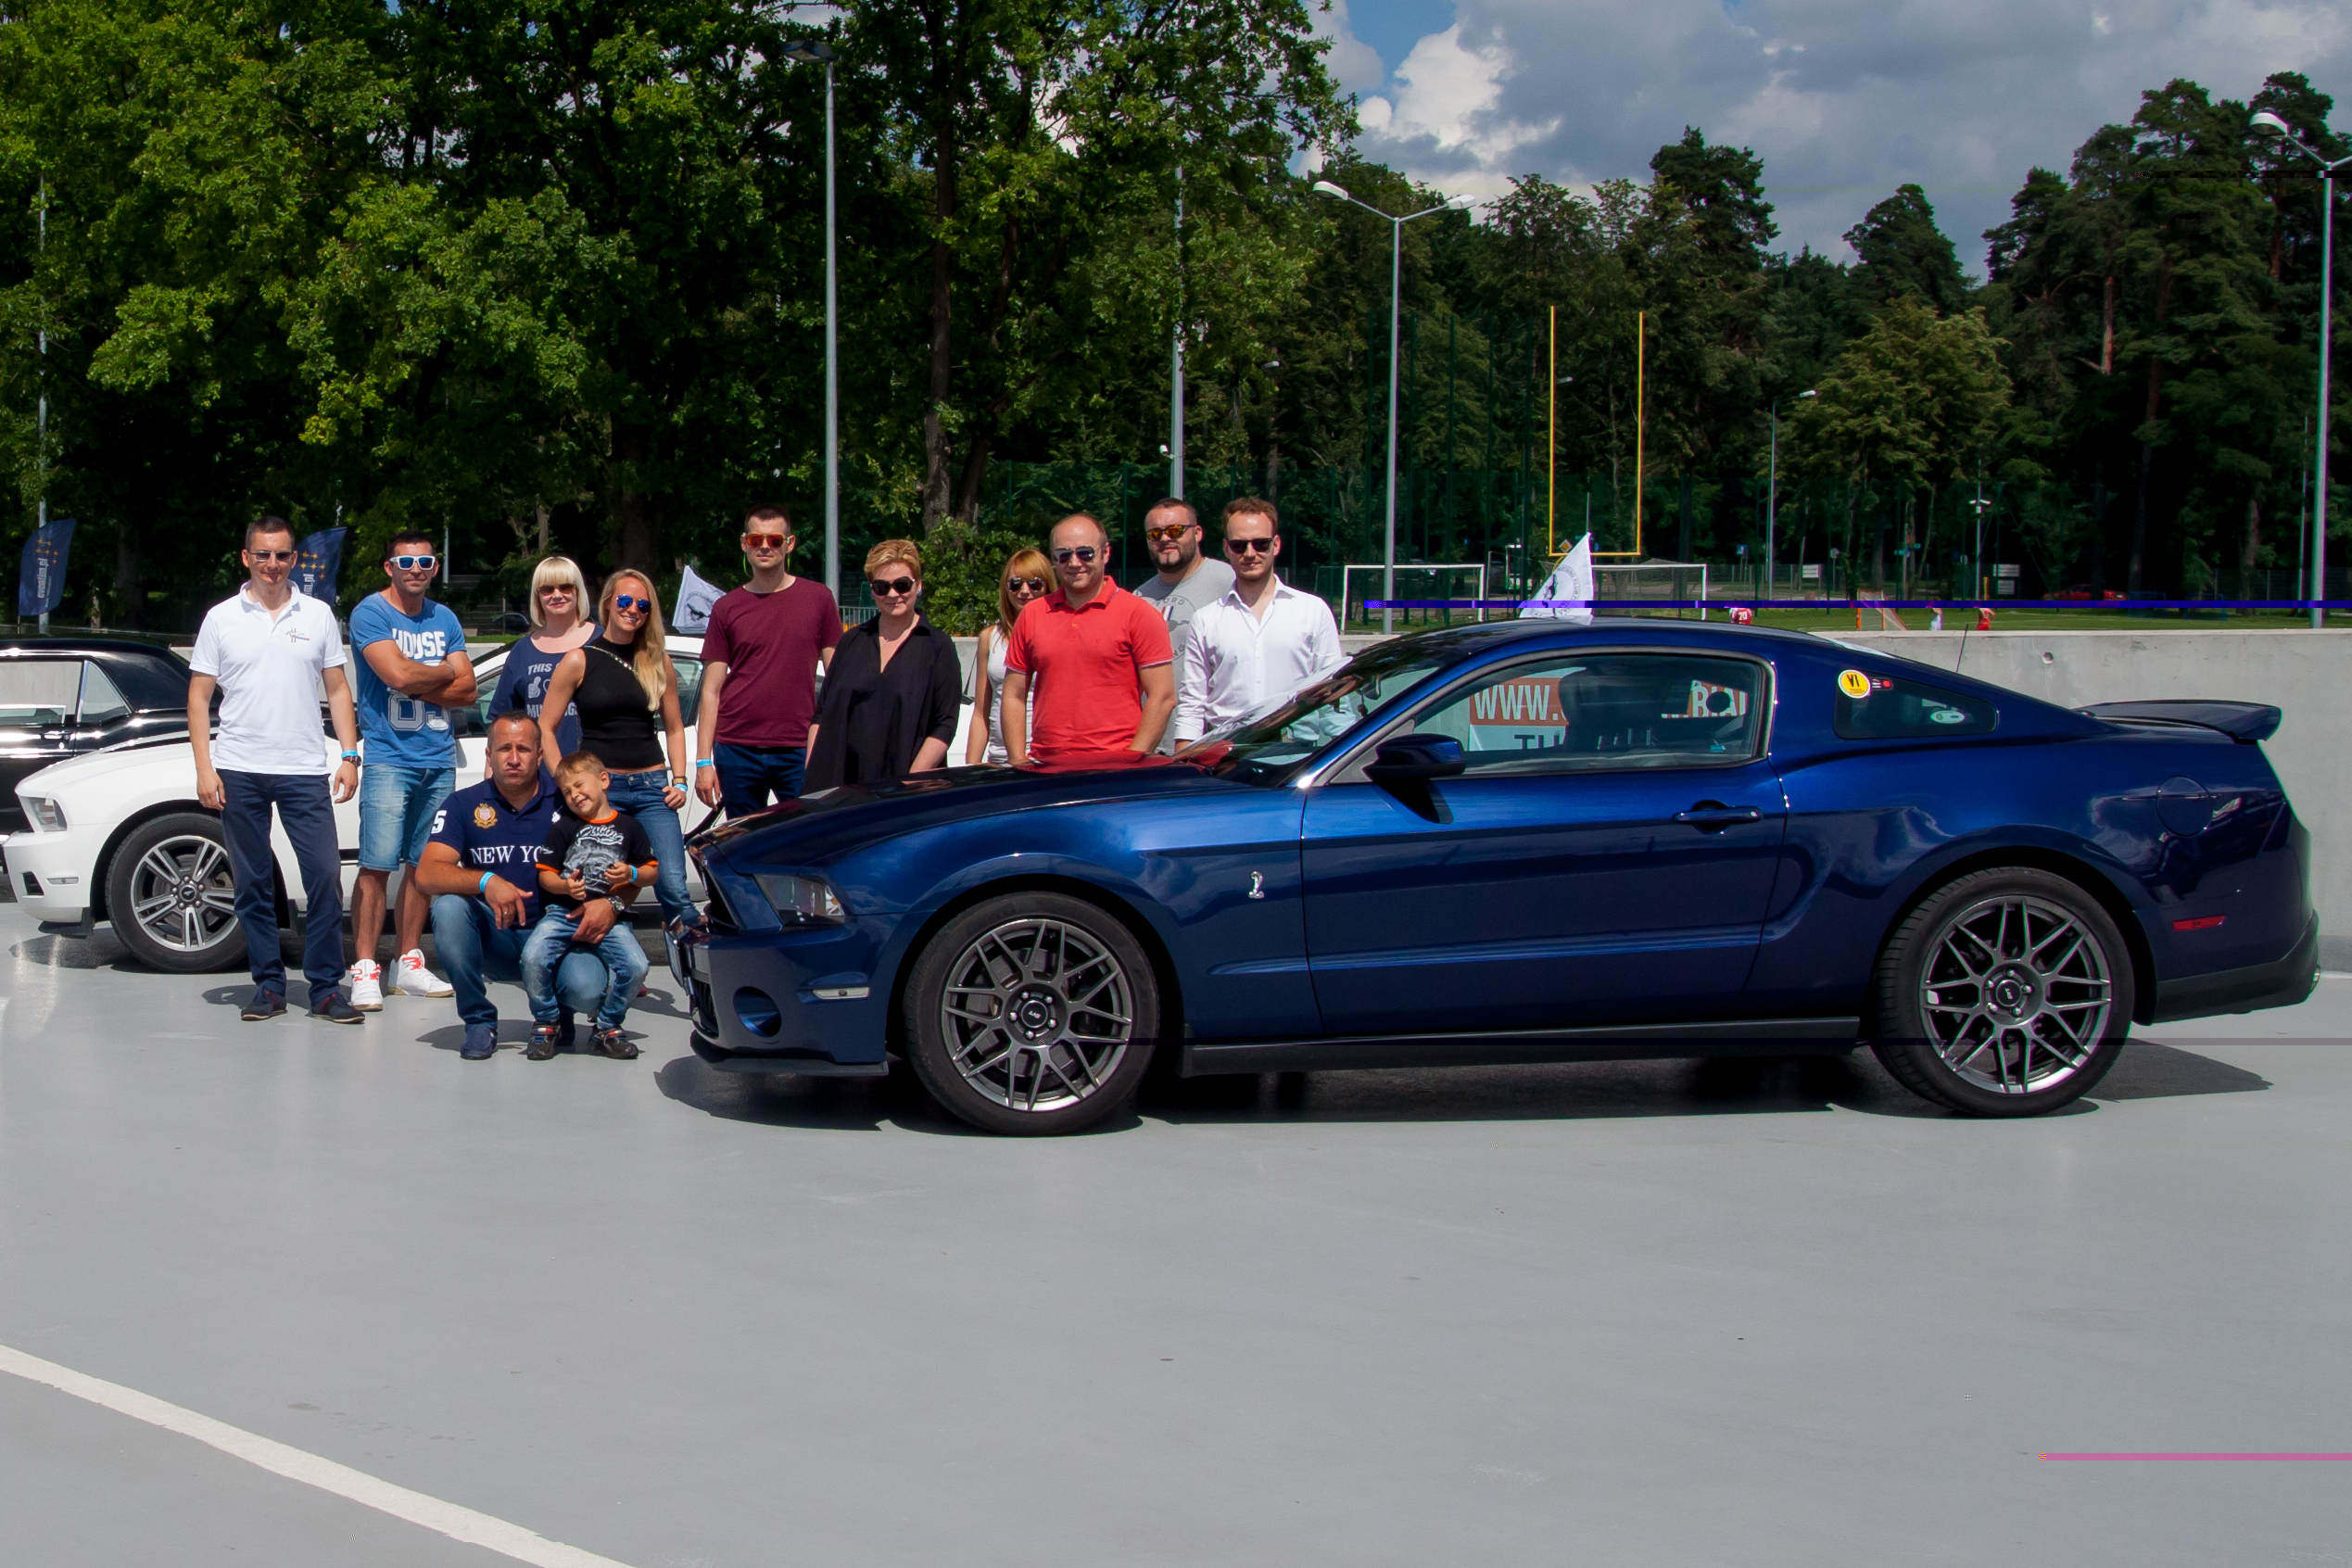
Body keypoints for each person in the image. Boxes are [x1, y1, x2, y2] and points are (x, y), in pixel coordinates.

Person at [187, 516, 365, 1025]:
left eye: (282, 555)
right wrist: (204, 768)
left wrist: (349, 755)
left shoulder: (318, 614)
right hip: (239, 768)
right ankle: (268, 985)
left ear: (294, 559)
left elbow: (337, 689)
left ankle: (326, 988)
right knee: (252, 884)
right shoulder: (221, 618)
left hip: (303, 768)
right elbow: (198, 698)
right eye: (263, 555)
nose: (272, 564)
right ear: (246, 558)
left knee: (325, 878)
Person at [415, 713, 633, 1060]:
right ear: (489, 755)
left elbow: (631, 866)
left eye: (523, 749)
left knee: (587, 990)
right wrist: (486, 880)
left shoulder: (571, 803)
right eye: (504, 749)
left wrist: (612, 904)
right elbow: (427, 874)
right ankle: (479, 1020)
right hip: (497, 936)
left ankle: (560, 1014)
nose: (513, 759)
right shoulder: (463, 804)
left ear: (540, 755)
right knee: (448, 907)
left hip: (559, 936)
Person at [347, 529, 476, 1010]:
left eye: (425, 562)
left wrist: (419, 677)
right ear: (389, 567)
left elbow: (469, 691)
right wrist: (443, 670)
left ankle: (408, 962)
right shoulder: (371, 612)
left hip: (438, 759)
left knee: (424, 867)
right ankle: (365, 967)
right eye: (405, 562)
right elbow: (397, 675)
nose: (416, 570)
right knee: (376, 865)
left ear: (436, 567)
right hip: (389, 757)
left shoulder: (445, 617)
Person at [536, 571, 696, 928]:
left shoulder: (657, 660)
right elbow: (545, 727)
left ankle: (694, 961)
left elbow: (674, 727)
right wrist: (567, 782)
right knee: (600, 883)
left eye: (642, 605)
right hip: (603, 790)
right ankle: (611, 957)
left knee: (672, 884)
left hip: (653, 788)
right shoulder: (579, 659)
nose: (632, 610)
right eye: (625, 601)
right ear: (608, 603)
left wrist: (681, 780)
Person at [693, 505, 842, 815]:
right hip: (737, 748)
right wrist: (704, 760)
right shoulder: (726, 607)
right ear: (744, 543)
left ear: (789, 544)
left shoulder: (818, 599)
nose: (764, 547)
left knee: (807, 834)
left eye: (774, 540)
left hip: (800, 746)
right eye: (756, 539)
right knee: (743, 839)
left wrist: (834, 742)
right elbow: (711, 691)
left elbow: (838, 679)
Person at [1000, 514, 1174, 765]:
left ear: (1106, 553)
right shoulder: (1032, 615)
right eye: (1063, 555)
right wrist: (1018, 760)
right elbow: (1013, 695)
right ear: (1053, 559)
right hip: (1047, 766)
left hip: (1115, 767)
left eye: (1085, 553)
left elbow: (1163, 696)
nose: (1074, 563)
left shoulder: (1139, 614)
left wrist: (1130, 761)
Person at [1174, 497, 1344, 745]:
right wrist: (1183, 756)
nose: (1250, 553)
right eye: (1239, 545)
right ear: (1226, 549)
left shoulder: (1312, 610)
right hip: (1225, 750)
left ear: (1276, 545)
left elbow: (1335, 692)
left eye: (1260, 544)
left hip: (1296, 751)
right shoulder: (1206, 620)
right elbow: (1192, 701)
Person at [803, 539, 963, 790]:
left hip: (906, 790)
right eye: (882, 587)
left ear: (918, 585)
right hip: (842, 788)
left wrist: (910, 781)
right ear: (872, 591)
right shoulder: (851, 642)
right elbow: (822, 714)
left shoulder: (937, 646)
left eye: (902, 585)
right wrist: (813, 770)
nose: (892, 594)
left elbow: (944, 724)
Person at [526, 751, 655, 1060]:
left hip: (610, 917)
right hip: (562, 913)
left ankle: (607, 1026)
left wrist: (632, 873)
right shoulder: (563, 827)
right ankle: (547, 1020)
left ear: (603, 780)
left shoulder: (630, 827)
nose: (574, 795)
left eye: (579, 785)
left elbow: (652, 871)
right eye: (567, 792)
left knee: (637, 966)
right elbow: (545, 875)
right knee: (532, 957)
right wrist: (564, 886)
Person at [485, 555, 597, 773]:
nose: (557, 595)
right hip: (536, 778)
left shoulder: (601, 643)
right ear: (537, 596)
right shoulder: (522, 651)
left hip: (596, 775)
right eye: (547, 589)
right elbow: (501, 723)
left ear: (578, 590)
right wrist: (492, 779)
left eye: (565, 587)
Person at [966, 549, 1051, 765]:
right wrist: (971, 768)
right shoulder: (989, 637)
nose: (1024, 591)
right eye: (1015, 584)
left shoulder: (1058, 635)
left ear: (1048, 586)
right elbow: (980, 713)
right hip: (998, 758)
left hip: (1044, 757)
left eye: (1035, 584)